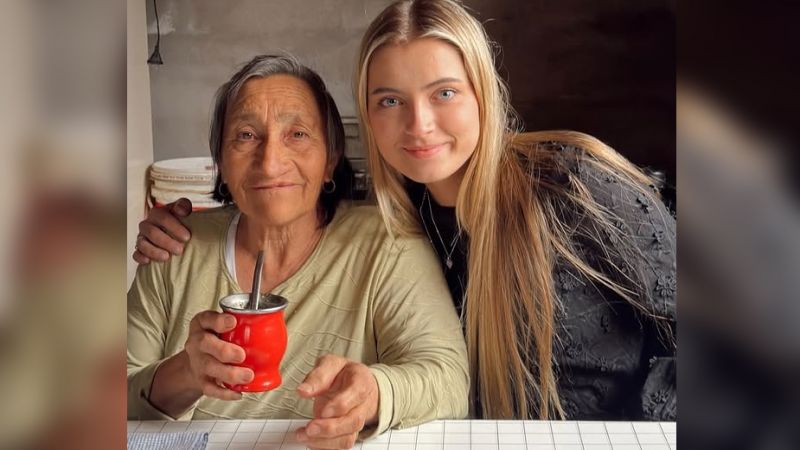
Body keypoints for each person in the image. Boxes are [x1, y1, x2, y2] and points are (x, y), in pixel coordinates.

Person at [135, 0, 676, 421]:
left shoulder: (574, 184)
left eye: (444, 93)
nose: (418, 125)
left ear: (483, 95)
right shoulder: (407, 213)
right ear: (368, 118)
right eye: (390, 100)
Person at [127, 54, 469, 449]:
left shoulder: (385, 244)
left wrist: (374, 392)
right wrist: (186, 371)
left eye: (298, 134)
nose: (270, 164)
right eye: (246, 136)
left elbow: (447, 378)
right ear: (220, 161)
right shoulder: (174, 245)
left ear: (331, 159)